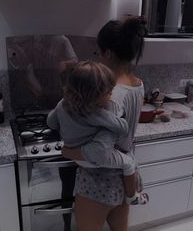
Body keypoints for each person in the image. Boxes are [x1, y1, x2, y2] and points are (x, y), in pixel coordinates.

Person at [60, 16, 147, 231]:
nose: (97, 58)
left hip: (99, 182)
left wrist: (69, 152)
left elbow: (100, 151)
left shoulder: (109, 95)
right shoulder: (137, 84)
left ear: (107, 53)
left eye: (98, 53)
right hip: (125, 177)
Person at [47, 61, 148, 205]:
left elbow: (50, 122)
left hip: (74, 154)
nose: (111, 96)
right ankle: (133, 197)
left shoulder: (62, 104)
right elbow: (122, 127)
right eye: (109, 92)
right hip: (93, 158)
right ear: (94, 96)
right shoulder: (97, 113)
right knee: (129, 163)